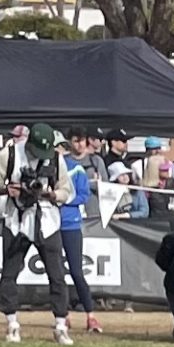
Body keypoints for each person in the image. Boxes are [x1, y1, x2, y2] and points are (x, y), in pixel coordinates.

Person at [0, 123, 77, 345]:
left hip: (47, 221)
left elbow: (67, 190)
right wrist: (7, 189)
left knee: (57, 275)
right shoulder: (8, 155)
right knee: (9, 273)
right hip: (16, 220)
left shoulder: (56, 159)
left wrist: (52, 195)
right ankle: (12, 323)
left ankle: (60, 325)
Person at [57, 130, 104, 333]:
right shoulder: (49, 167)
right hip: (52, 224)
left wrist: (63, 199)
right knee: (57, 274)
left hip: (71, 224)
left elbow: (83, 195)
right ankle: (63, 315)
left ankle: (90, 315)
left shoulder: (76, 169)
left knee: (76, 271)